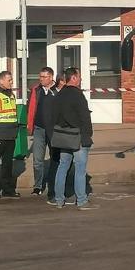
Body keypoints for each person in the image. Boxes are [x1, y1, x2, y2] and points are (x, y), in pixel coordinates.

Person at [50, 67, 96, 210]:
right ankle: (81, 200)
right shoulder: (78, 95)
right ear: (74, 78)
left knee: (63, 166)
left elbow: (54, 116)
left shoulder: (59, 94)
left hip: (64, 137)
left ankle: (59, 200)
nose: (81, 79)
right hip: (78, 136)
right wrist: (87, 135)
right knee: (80, 168)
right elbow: (84, 117)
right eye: (79, 77)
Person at [26, 66, 59, 196]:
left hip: (54, 130)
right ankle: (38, 186)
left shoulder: (57, 91)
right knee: (37, 160)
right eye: (40, 76)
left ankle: (54, 185)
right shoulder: (36, 90)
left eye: (44, 77)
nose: (41, 79)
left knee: (55, 158)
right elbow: (31, 107)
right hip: (39, 129)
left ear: (51, 77)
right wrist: (30, 125)